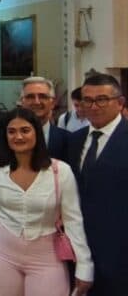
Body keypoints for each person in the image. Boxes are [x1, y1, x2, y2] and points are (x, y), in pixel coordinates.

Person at [0, 107, 93, 296]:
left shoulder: (60, 171)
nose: (18, 137)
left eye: (25, 130)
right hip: (4, 253)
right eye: (11, 131)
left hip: (47, 255)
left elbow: (73, 221)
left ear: (36, 133)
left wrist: (84, 265)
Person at [65, 73, 128, 294]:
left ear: (120, 103)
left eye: (101, 99)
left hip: (120, 250)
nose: (93, 106)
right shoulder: (73, 140)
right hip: (78, 248)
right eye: (87, 100)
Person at [19, 76, 70, 159]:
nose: (37, 102)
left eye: (43, 96)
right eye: (30, 97)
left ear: (52, 103)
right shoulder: (8, 138)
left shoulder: (68, 139)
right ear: (22, 102)